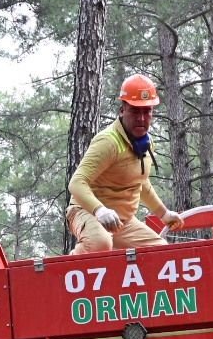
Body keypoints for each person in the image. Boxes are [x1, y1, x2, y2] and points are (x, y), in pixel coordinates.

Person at [66, 73, 186, 253]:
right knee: (100, 243)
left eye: (147, 111)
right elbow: (76, 183)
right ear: (122, 110)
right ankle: (65, 273)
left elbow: (140, 183)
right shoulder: (108, 142)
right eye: (135, 111)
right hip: (86, 212)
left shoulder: (146, 144)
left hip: (122, 221)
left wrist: (163, 213)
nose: (142, 118)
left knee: (161, 252)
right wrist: (99, 211)